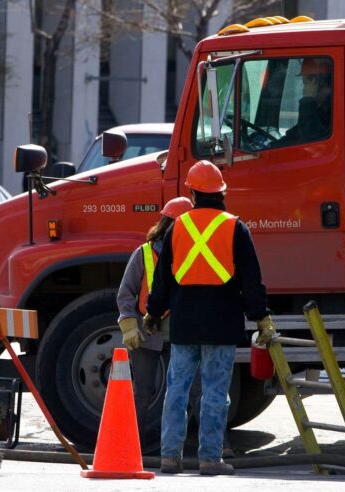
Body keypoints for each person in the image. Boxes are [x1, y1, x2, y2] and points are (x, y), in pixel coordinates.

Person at [144, 160, 276, 476]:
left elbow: (163, 279)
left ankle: (170, 457)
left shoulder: (178, 228)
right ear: (221, 193)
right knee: (215, 391)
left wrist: (152, 312)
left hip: (185, 324)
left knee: (176, 390)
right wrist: (261, 317)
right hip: (222, 323)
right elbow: (251, 279)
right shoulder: (235, 227)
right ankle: (210, 459)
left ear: (192, 193)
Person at [116, 196, 193, 449]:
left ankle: (172, 446)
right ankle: (133, 446)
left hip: (180, 333)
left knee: (186, 392)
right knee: (142, 393)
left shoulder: (194, 253)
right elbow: (126, 292)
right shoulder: (144, 253)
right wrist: (128, 325)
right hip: (146, 333)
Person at [274, 57, 333, 147]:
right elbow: (295, 135)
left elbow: (310, 141)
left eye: (305, 83)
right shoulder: (320, 109)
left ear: (314, 83)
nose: (304, 89)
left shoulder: (332, 111)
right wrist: (272, 146)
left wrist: (308, 100)